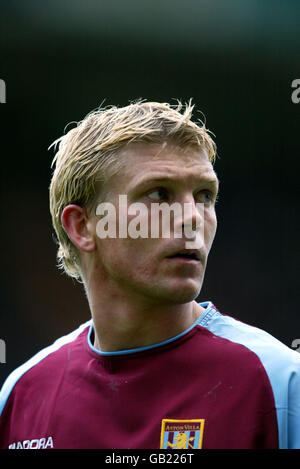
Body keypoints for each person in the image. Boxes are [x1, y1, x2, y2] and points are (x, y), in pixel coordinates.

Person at [0, 100, 299, 450]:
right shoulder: (21, 395)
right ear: (82, 226)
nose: (192, 218)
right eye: (159, 194)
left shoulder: (280, 386)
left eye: (205, 195)